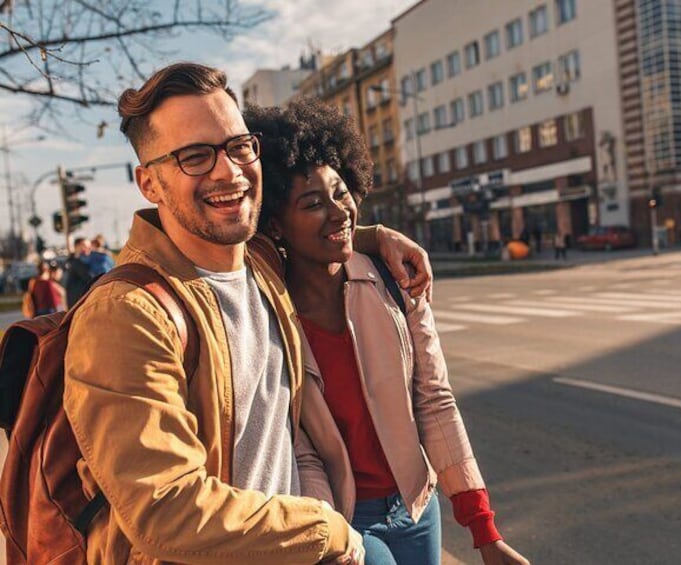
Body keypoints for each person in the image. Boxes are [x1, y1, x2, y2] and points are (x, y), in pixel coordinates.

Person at [63, 62, 432, 564]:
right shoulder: (126, 315)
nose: (229, 171)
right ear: (149, 184)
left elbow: (306, 231)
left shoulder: (258, 262)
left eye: (239, 146)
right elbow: (165, 509)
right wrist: (327, 530)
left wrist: (373, 235)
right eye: (195, 156)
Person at [245, 98, 529, 565]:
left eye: (341, 193)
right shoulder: (267, 310)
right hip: (343, 517)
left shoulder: (396, 280)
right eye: (312, 203)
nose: (339, 212)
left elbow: (434, 400)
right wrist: (328, 531)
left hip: (416, 506)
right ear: (274, 222)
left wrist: (484, 532)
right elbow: (297, 445)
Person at [64, 236, 93, 307]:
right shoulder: (76, 263)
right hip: (79, 304)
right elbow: (91, 279)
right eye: (86, 246)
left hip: (77, 304)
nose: (89, 249)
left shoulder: (71, 262)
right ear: (78, 246)